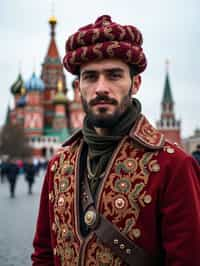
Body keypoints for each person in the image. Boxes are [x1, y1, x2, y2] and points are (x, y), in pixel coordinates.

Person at [31, 15, 200, 266]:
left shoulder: (173, 165)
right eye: (90, 77)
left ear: (136, 83)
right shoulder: (58, 165)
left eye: (114, 75)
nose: (101, 87)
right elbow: (44, 255)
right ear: (78, 87)